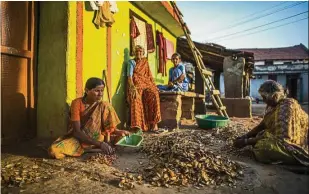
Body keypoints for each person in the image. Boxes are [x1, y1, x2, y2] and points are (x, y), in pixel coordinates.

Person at [49, 77, 129, 159]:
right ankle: (91, 149)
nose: (100, 94)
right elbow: (77, 132)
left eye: (102, 91)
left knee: (121, 136)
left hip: (99, 137)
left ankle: (100, 146)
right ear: (87, 91)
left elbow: (108, 128)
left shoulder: (103, 105)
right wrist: (100, 144)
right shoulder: (77, 103)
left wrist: (118, 131)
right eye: (97, 91)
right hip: (81, 139)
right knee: (54, 151)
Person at [234, 80, 309, 166]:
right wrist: (246, 136)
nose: (263, 100)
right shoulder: (272, 105)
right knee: (259, 137)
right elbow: (263, 124)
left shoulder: (286, 107)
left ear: (275, 96)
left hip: (292, 143)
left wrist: (246, 142)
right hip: (277, 137)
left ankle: (295, 160)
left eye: (265, 98)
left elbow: (282, 139)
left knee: (264, 149)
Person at [127, 45, 161, 132]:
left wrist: (154, 86)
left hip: (146, 84)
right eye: (137, 52)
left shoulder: (145, 62)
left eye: (140, 52)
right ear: (134, 53)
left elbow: (149, 76)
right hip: (136, 85)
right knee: (135, 98)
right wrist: (132, 87)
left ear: (143, 53)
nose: (139, 53)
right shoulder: (131, 62)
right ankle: (137, 125)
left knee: (154, 94)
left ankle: (154, 123)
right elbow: (129, 77)